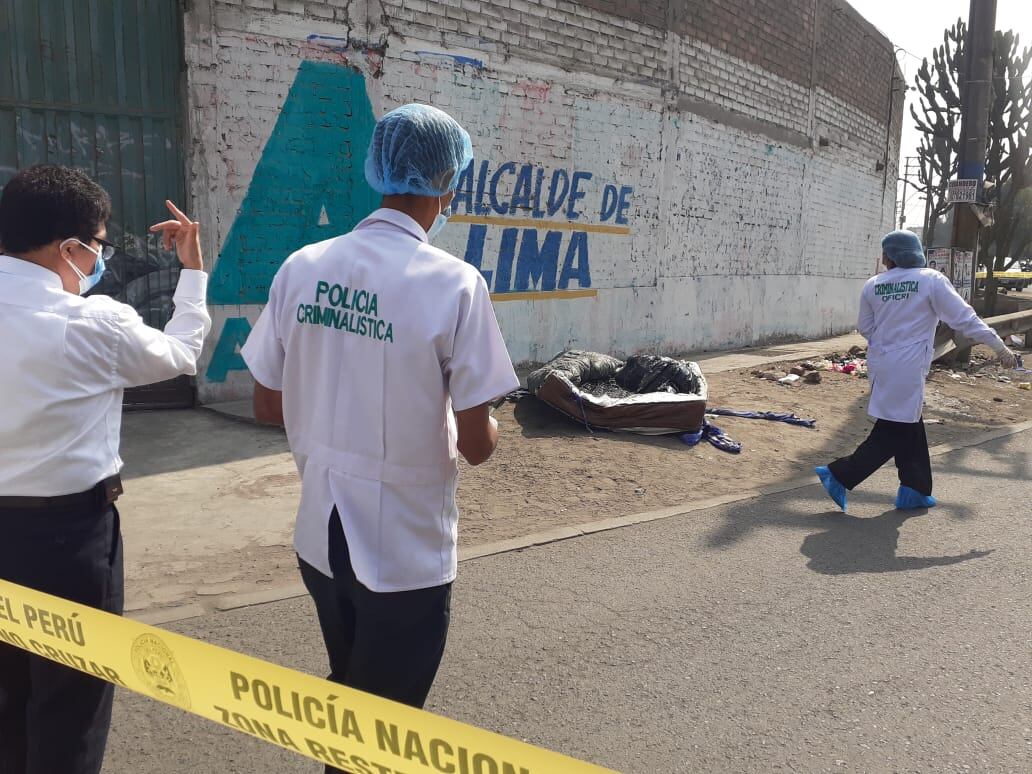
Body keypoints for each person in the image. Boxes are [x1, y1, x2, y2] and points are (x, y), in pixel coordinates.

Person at [241, 103, 518, 762]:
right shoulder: (454, 284)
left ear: (378, 170)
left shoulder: (302, 266)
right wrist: (484, 423)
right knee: (385, 733)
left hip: (321, 538)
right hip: (401, 556)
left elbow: (265, 404)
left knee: (352, 696)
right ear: (448, 182)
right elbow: (477, 446)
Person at [0, 165, 211, 774]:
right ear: (69, 248)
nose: (100, 256)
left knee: (7, 701)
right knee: (72, 709)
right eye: (97, 242)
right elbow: (181, 355)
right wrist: (192, 271)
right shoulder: (93, 324)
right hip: (68, 542)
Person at [816, 230, 1017, 512]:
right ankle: (839, 475)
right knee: (895, 429)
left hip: (881, 363)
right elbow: (964, 318)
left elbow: (866, 327)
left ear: (889, 256)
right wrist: (998, 346)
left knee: (909, 422)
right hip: (908, 365)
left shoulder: (873, 284)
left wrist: (889, 343)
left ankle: (915, 488)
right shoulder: (930, 280)